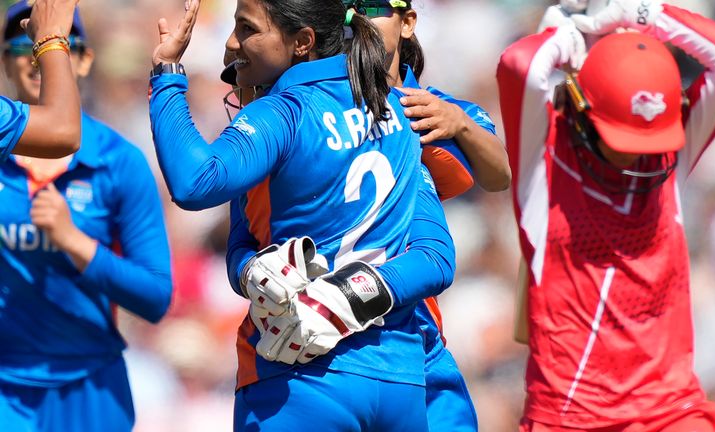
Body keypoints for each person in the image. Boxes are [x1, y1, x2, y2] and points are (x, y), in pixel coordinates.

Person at [150, 0, 455, 430]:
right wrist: (251, 272)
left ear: (302, 42)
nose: (230, 46)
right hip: (397, 378)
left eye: (247, 28)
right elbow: (435, 258)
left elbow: (193, 182)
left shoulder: (284, 111)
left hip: (297, 378)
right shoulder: (396, 108)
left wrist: (165, 75)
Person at [496, 0, 715, 430]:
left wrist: (645, 16)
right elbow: (518, 65)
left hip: (673, 411)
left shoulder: (670, 145)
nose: (641, 151)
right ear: (582, 109)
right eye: (624, 135)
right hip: (570, 419)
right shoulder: (543, 162)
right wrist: (565, 40)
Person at [0, 3, 172, 431]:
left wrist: (75, 243)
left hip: (91, 384)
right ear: (4, 60)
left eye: (61, 43)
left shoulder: (119, 162)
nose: (40, 55)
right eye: (25, 43)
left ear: (83, 59)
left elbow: (155, 297)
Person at [344, 1, 511, 431]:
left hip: (414, 330)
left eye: (374, 6)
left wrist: (460, 124)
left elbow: (500, 175)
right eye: (346, 6)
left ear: (408, 23)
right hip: (337, 336)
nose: (358, 15)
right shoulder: (322, 105)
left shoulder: (434, 106)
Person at [1, 0, 81, 160]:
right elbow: (61, 129)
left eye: (67, 44)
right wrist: (50, 39)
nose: (36, 59)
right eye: (23, 47)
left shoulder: (119, 156)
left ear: (86, 60)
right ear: (5, 63)